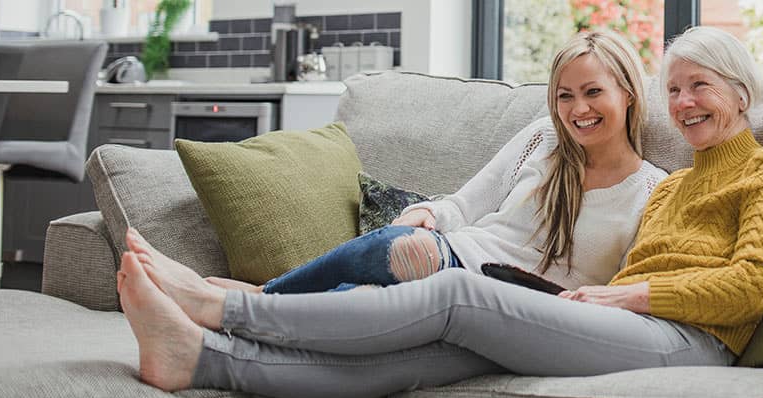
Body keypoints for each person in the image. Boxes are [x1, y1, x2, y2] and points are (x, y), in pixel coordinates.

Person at [115, 26, 763, 398]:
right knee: (421, 355)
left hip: (688, 337)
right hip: (624, 319)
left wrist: (624, 293)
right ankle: (204, 361)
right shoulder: (677, 186)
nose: (684, 103)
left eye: (700, 87)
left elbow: (753, 285)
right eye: (676, 89)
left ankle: (225, 310)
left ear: (741, 91)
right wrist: (612, 296)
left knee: (454, 289)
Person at [207, 32, 665, 296]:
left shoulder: (652, 190)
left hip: (520, 304)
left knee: (373, 288)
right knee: (393, 261)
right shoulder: (544, 137)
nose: (577, 109)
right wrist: (427, 214)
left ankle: (257, 301)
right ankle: (251, 305)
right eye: (565, 95)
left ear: (627, 93)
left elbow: (623, 286)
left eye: (592, 92)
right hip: (459, 259)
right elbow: (464, 206)